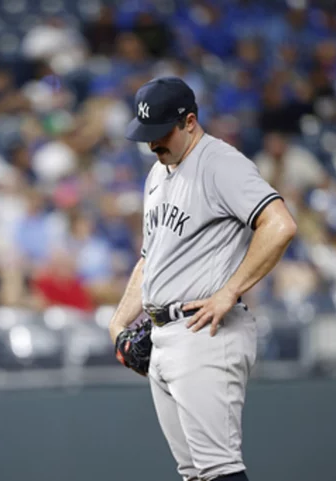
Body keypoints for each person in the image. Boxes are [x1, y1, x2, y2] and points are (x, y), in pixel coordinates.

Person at [109, 77, 297, 481]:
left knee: (219, 470)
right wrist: (118, 323)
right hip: (164, 336)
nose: (153, 144)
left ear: (190, 122)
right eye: (147, 135)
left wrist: (230, 291)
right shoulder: (159, 174)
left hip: (205, 332)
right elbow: (150, 258)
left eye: (161, 134)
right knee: (195, 474)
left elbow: (279, 225)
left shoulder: (220, 163)